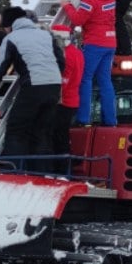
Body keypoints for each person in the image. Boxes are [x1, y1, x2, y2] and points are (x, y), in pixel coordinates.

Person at [0, 6, 65, 172]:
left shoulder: (12, 38)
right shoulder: (45, 34)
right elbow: (61, 61)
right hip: (54, 87)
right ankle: (42, 174)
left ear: (9, 24)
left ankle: (13, 172)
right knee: (42, 132)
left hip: (33, 86)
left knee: (16, 130)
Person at [60, 0, 118, 126]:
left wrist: (67, 6)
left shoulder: (90, 0)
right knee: (105, 81)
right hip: (111, 42)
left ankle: (83, 118)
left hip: (95, 43)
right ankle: (111, 120)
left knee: (84, 79)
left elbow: (78, 20)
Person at [50, 26, 84, 175]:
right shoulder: (77, 53)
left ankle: (59, 169)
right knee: (62, 135)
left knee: (55, 135)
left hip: (63, 101)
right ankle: (63, 168)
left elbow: (65, 78)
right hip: (72, 100)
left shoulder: (64, 54)